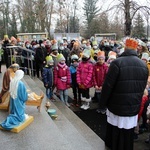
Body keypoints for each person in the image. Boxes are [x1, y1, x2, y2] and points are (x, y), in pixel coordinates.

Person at [99, 38, 148, 150]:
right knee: (128, 133)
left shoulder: (116, 63)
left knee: (116, 131)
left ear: (125, 48)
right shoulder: (143, 65)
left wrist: (102, 104)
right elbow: (141, 88)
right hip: (133, 106)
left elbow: (107, 87)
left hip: (117, 105)